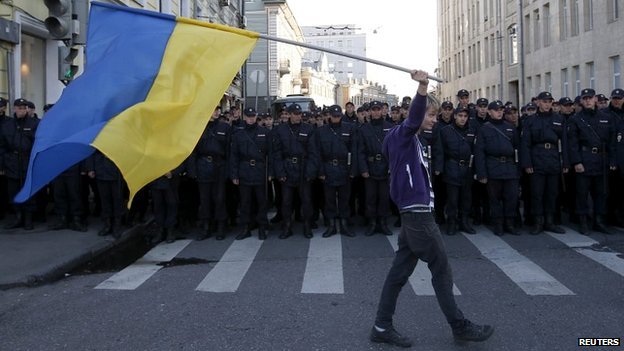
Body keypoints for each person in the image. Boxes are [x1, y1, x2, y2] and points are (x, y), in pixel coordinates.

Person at [370, 70, 493, 348]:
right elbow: (413, 117)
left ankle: (381, 326)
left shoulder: (407, 139)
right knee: (442, 269)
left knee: (398, 274)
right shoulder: (403, 135)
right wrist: (423, 87)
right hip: (417, 215)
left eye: (436, 116)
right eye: (431, 115)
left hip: (414, 213)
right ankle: (459, 326)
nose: (434, 121)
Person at [519, 92, 568, 235]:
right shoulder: (531, 120)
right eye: (544, 101)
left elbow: (564, 142)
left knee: (552, 193)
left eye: (549, 101)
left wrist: (566, 162)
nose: (547, 104)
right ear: (538, 102)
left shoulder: (559, 119)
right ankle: (538, 222)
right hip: (537, 158)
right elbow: (526, 144)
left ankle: (550, 222)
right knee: (537, 193)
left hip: (552, 158)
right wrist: (527, 163)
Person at [475, 100, 521, 236]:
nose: (499, 112)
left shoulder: (510, 127)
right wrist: (482, 173)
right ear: (489, 112)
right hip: (493, 167)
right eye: (496, 110)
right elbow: (479, 152)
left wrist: (518, 169)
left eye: (501, 110)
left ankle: (510, 224)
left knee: (511, 198)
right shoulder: (484, 129)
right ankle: (498, 224)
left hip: (509, 167)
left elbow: (517, 149)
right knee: (495, 200)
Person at [272, 103, 317, 238]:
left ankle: (307, 226)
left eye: (300, 114)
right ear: (290, 114)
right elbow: (277, 153)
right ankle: (287, 226)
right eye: (296, 114)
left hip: (303, 168)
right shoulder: (281, 130)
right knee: (286, 201)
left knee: (306, 200)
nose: (298, 116)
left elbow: (313, 152)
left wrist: (310, 171)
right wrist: (280, 172)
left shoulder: (308, 129)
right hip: (287, 168)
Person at [230, 107, 271, 240]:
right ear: (244, 117)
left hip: (260, 170)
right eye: (248, 116)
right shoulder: (238, 134)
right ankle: (245, 228)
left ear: (256, 116)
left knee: (261, 201)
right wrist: (234, 175)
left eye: (253, 116)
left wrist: (270, 172)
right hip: (244, 170)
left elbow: (271, 154)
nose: (251, 118)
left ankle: (262, 227)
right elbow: (234, 156)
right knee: (245, 202)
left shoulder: (264, 132)